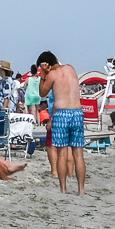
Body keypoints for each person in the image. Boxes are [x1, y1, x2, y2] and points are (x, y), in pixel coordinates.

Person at [35, 51, 86, 194]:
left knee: (62, 153)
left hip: (62, 113)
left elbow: (42, 93)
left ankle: (63, 189)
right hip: (77, 112)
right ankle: (81, 189)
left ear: (46, 65)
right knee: (78, 154)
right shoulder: (71, 68)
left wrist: (43, 75)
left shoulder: (51, 75)